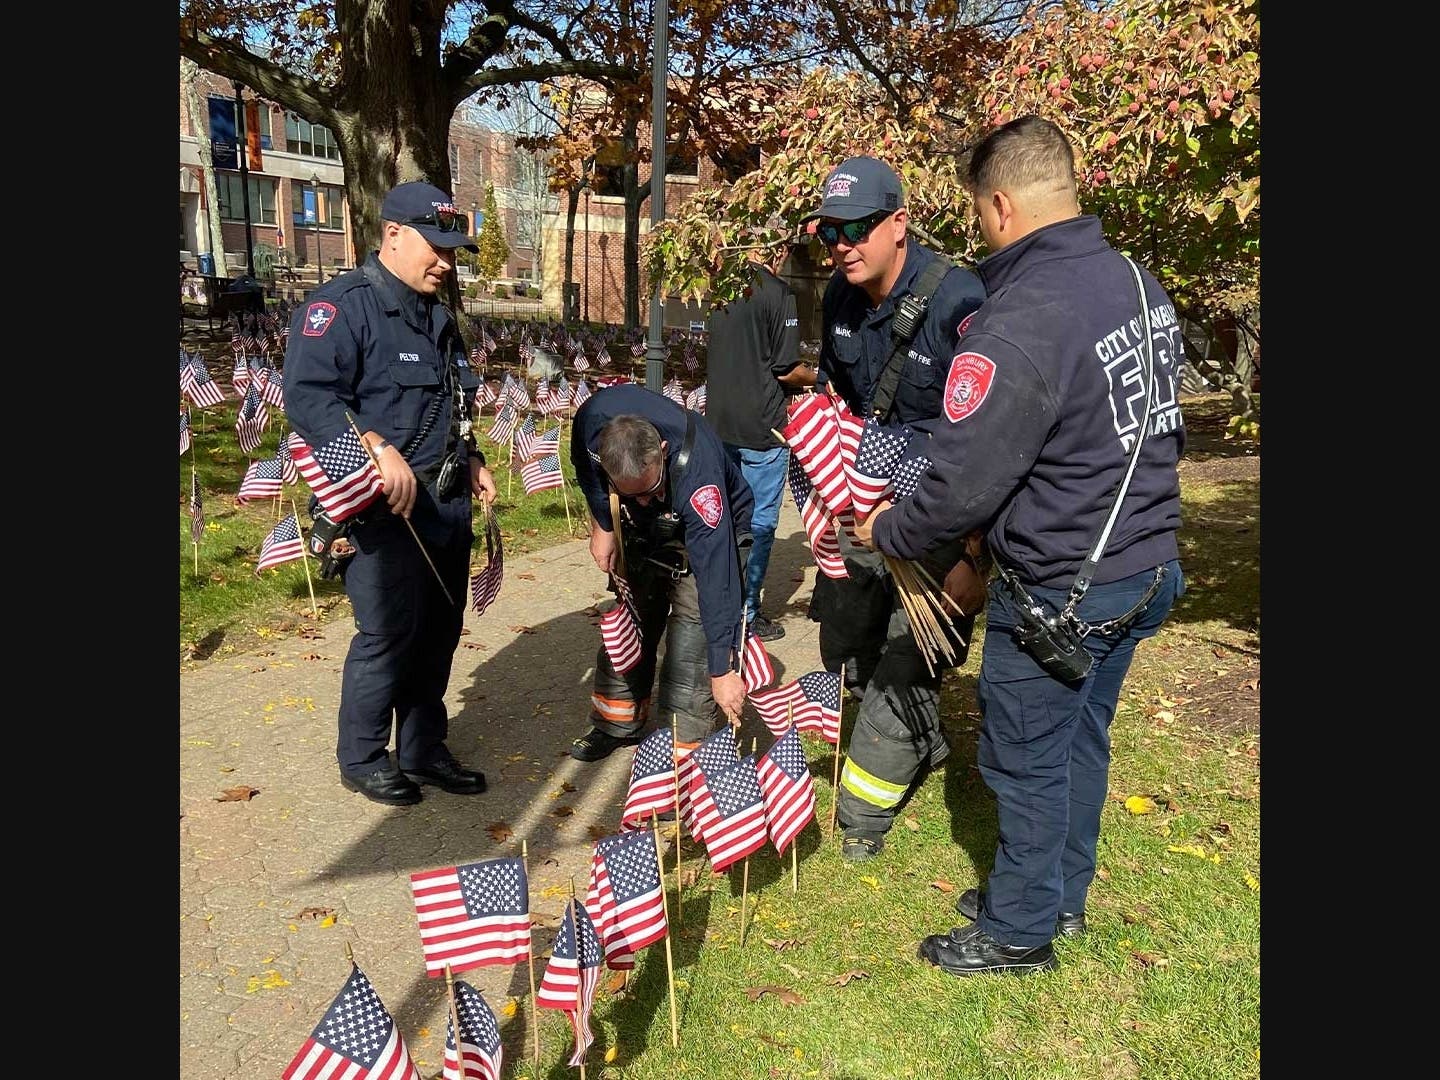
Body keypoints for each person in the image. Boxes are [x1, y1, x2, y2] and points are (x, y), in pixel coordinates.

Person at [855, 116, 1187, 976]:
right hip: (1144, 568)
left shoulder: (1017, 325)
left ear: (1000, 203)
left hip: (1062, 589)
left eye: (977, 212)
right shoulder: (1137, 283)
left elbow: (959, 484)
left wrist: (886, 528)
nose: (977, 230)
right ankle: (1057, 896)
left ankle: (1018, 930)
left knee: (1027, 761)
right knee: (1081, 743)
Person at [285, 180, 498, 806]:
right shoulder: (341, 309)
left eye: (453, 252)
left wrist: (475, 457)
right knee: (387, 633)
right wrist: (373, 446)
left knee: (439, 630)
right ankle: (363, 755)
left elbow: (450, 401)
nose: (445, 262)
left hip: (447, 498)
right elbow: (309, 397)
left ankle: (423, 748)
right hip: (385, 510)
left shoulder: (438, 313)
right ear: (393, 234)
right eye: (436, 247)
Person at [800, 155, 986, 863]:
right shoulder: (840, 298)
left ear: (899, 223)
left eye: (856, 229)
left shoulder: (959, 301)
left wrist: (975, 557)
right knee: (844, 648)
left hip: (943, 512)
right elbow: (838, 405)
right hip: (865, 505)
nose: (841, 245)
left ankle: (861, 819)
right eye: (829, 233)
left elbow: (989, 443)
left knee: (899, 669)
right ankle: (924, 737)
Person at [568, 383, 755, 761]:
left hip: (707, 538)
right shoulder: (590, 422)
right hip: (643, 532)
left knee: (692, 639)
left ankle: (680, 754)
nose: (645, 499)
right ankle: (616, 723)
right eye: (632, 493)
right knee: (632, 621)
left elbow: (716, 579)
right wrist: (604, 523)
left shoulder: (700, 478)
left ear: (663, 453)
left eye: (651, 488)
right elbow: (587, 474)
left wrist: (721, 669)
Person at [704, 245, 815, 642]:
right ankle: (748, 613)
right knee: (760, 522)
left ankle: (717, 600)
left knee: (724, 516)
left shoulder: (721, 286)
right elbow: (786, 370)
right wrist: (822, 378)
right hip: (763, 430)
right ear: (778, 249)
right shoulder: (778, 292)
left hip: (718, 423)